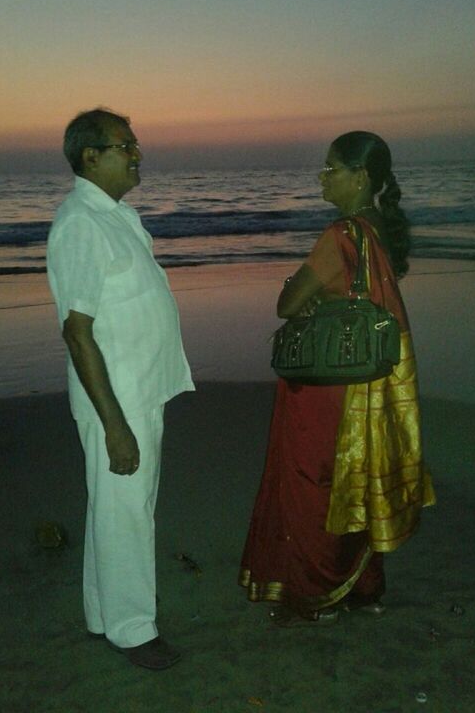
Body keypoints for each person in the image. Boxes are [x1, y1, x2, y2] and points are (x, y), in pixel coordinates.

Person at [239, 131, 435, 626]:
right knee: (358, 477)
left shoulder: (342, 234)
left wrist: (307, 294)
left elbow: (286, 304)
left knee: (315, 481)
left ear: (360, 177)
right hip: (369, 376)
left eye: (331, 168)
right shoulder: (380, 227)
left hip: (330, 383)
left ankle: (316, 593)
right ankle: (363, 588)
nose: (322, 177)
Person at [46, 108, 194, 668]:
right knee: (128, 510)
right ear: (91, 156)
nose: (137, 154)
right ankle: (133, 630)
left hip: (137, 387)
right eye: (125, 145)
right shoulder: (82, 223)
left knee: (114, 508)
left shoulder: (114, 216)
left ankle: (104, 614)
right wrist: (115, 425)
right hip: (118, 397)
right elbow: (77, 331)